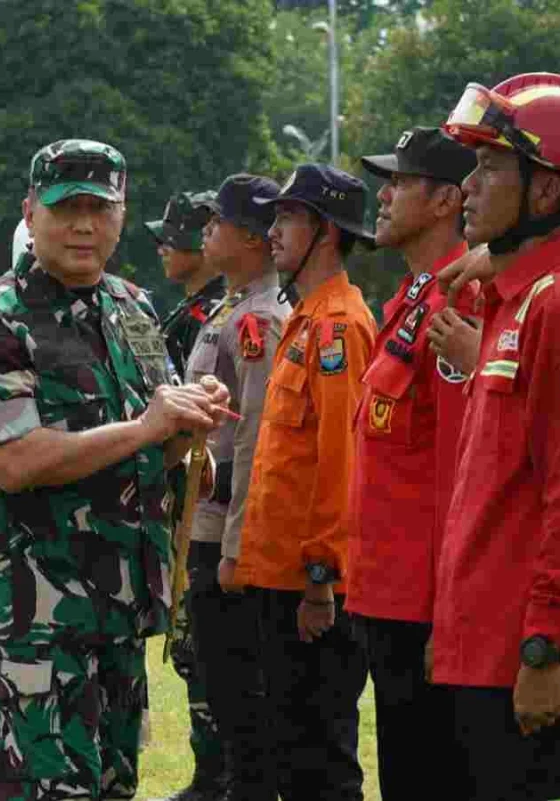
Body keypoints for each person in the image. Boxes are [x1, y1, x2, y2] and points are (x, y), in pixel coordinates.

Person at [0, 138, 230, 801]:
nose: (83, 224)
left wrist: (189, 436)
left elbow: (151, 446)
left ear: (122, 214)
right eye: (65, 207)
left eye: (100, 208)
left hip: (121, 612)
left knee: (113, 789)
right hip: (38, 625)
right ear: (30, 212)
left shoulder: (131, 309)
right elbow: (13, 461)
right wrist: (146, 427)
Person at [427, 72, 560, 801]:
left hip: (523, 655)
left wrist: (545, 643)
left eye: (490, 167)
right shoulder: (510, 303)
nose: (468, 186)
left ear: (546, 192)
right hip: (478, 647)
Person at [343, 127, 479, 801]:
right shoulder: (416, 297)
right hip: (389, 594)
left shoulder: (461, 298)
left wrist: (448, 614)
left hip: (426, 605)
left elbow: (464, 469)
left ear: (447, 200)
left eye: (399, 183)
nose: (385, 196)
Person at [233, 164, 377, 801]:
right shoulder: (306, 319)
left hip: (310, 590)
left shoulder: (339, 328)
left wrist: (322, 581)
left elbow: (341, 464)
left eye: (287, 218)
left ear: (324, 231)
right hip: (280, 581)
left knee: (321, 759)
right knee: (290, 752)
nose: (272, 232)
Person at [175, 173, 289, 801]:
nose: (206, 232)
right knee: (219, 687)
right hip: (205, 523)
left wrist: (237, 544)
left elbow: (254, 442)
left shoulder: (260, 321)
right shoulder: (231, 307)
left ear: (249, 238)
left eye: (217, 222)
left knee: (243, 700)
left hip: (227, 536)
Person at [143, 188, 231, 801]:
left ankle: (220, 774)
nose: (163, 245)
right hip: (183, 496)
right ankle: (214, 771)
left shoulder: (217, 315)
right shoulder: (192, 312)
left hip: (207, 496)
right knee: (188, 642)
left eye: (175, 233)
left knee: (202, 643)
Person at [148, 191, 227, 381]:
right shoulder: (192, 306)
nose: (161, 250)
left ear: (204, 242)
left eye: (171, 241)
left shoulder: (212, 313)